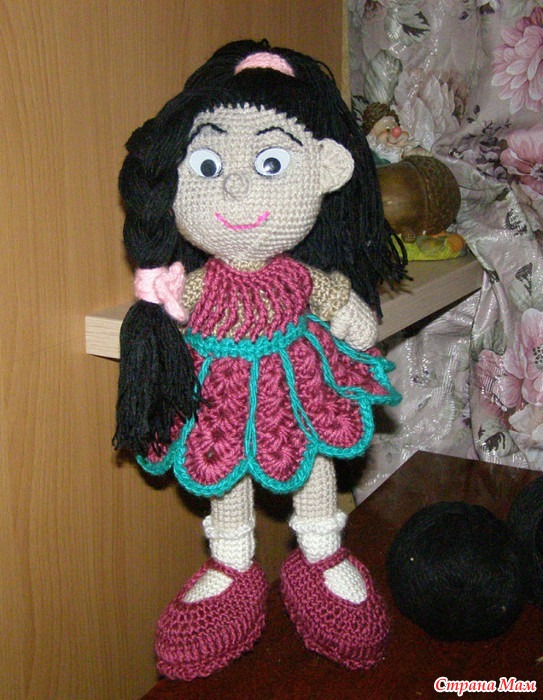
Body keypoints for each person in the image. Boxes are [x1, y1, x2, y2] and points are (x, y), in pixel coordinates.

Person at [114, 39, 405, 680]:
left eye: (271, 162)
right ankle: (231, 563)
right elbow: (171, 305)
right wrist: (160, 294)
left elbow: (334, 299)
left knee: (315, 453)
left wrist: (355, 324)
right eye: (209, 163)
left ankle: (322, 550)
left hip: (299, 383)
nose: (237, 185)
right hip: (218, 392)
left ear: (325, 170)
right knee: (223, 466)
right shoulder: (197, 283)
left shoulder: (301, 277)